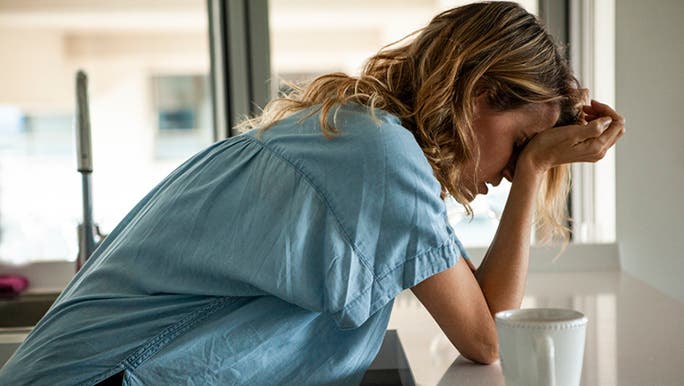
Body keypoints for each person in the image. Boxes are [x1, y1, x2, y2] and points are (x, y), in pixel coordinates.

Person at [0, 2, 624, 385]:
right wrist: (540, 168)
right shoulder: (379, 156)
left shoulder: (360, 135)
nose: (515, 173)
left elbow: (485, 314)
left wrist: (536, 156)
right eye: (518, 145)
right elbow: (487, 338)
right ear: (479, 93)